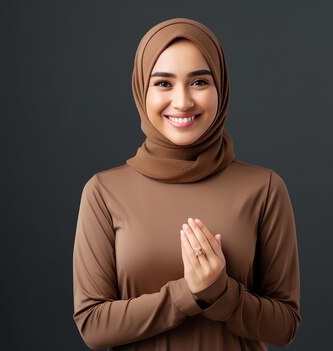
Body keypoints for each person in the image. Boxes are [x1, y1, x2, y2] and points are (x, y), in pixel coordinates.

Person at [73, 18, 300, 350]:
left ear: (220, 87)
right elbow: (93, 326)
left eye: (199, 82)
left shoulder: (264, 188)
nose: (182, 102)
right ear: (141, 89)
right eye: (163, 84)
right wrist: (187, 294)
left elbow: (285, 326)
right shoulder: (104, 192)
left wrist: (221, 292)